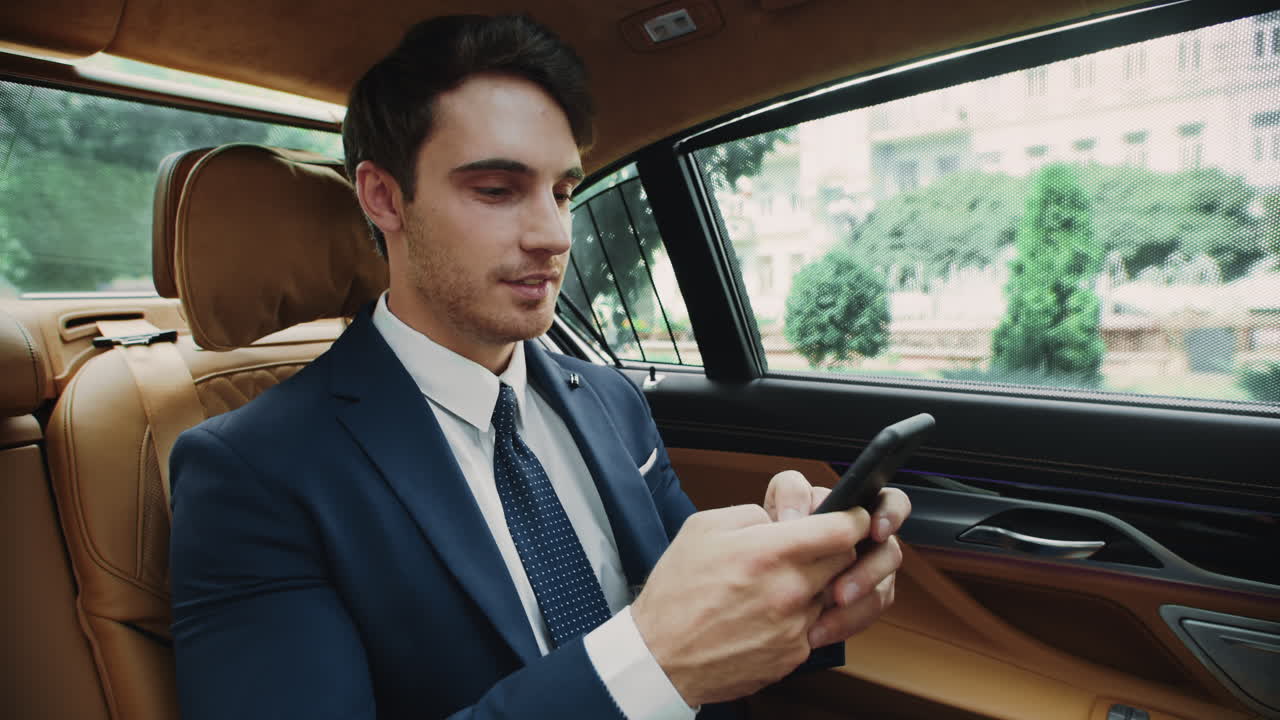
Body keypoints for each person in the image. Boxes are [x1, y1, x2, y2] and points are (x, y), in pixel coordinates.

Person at [169, 14, 911, 720]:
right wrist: (652, 663)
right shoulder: (251, 473)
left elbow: (711, 620)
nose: (555, 236)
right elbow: (672, 647)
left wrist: (806, 582)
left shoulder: (611, 400)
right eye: (497, 191)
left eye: (563, 192)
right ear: (384, 197)